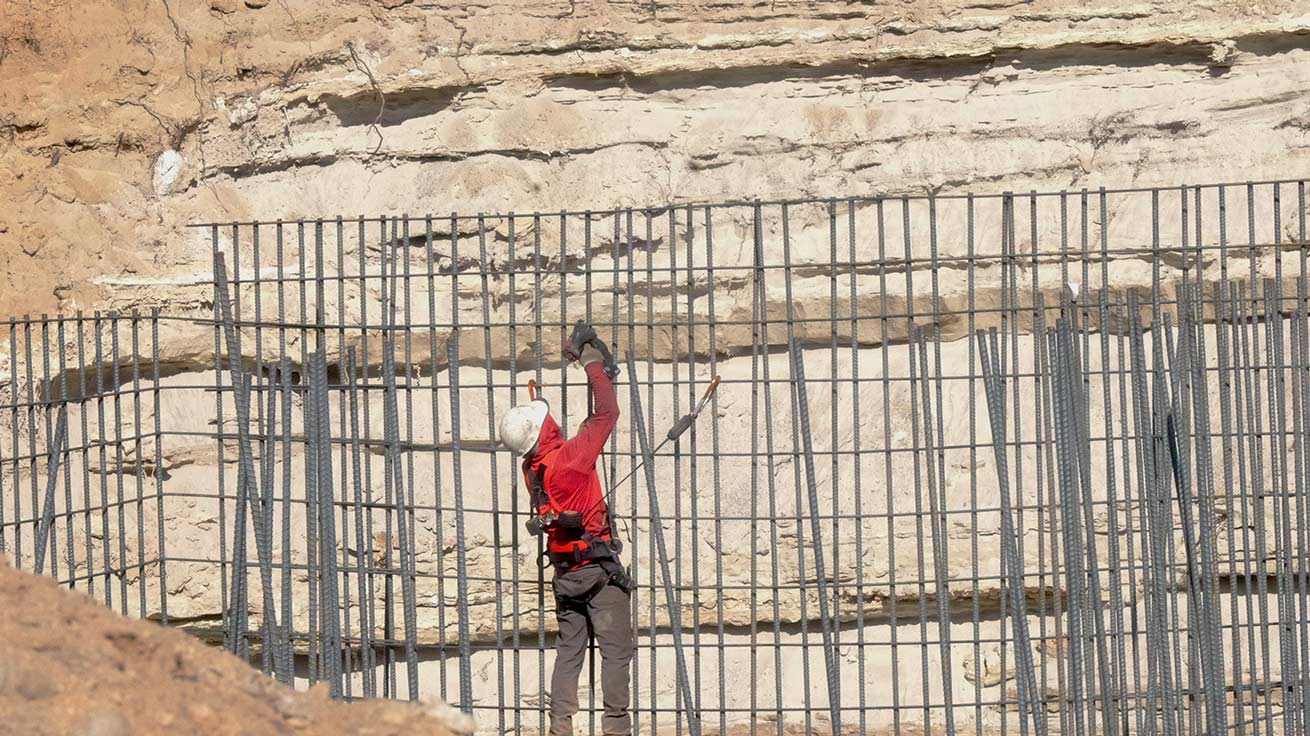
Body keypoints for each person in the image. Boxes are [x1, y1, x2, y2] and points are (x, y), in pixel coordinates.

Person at [498, 340, 633, 736]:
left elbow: (544, 439)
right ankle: (617, 730)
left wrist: (542, 407)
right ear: (543, 432)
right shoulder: (569, 461)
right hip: (598, 573)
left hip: (566, 576)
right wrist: (592, 362)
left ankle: (561, 729)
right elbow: (606, 413)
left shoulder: (533, 470)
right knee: (615, 654)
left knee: (569, 654)